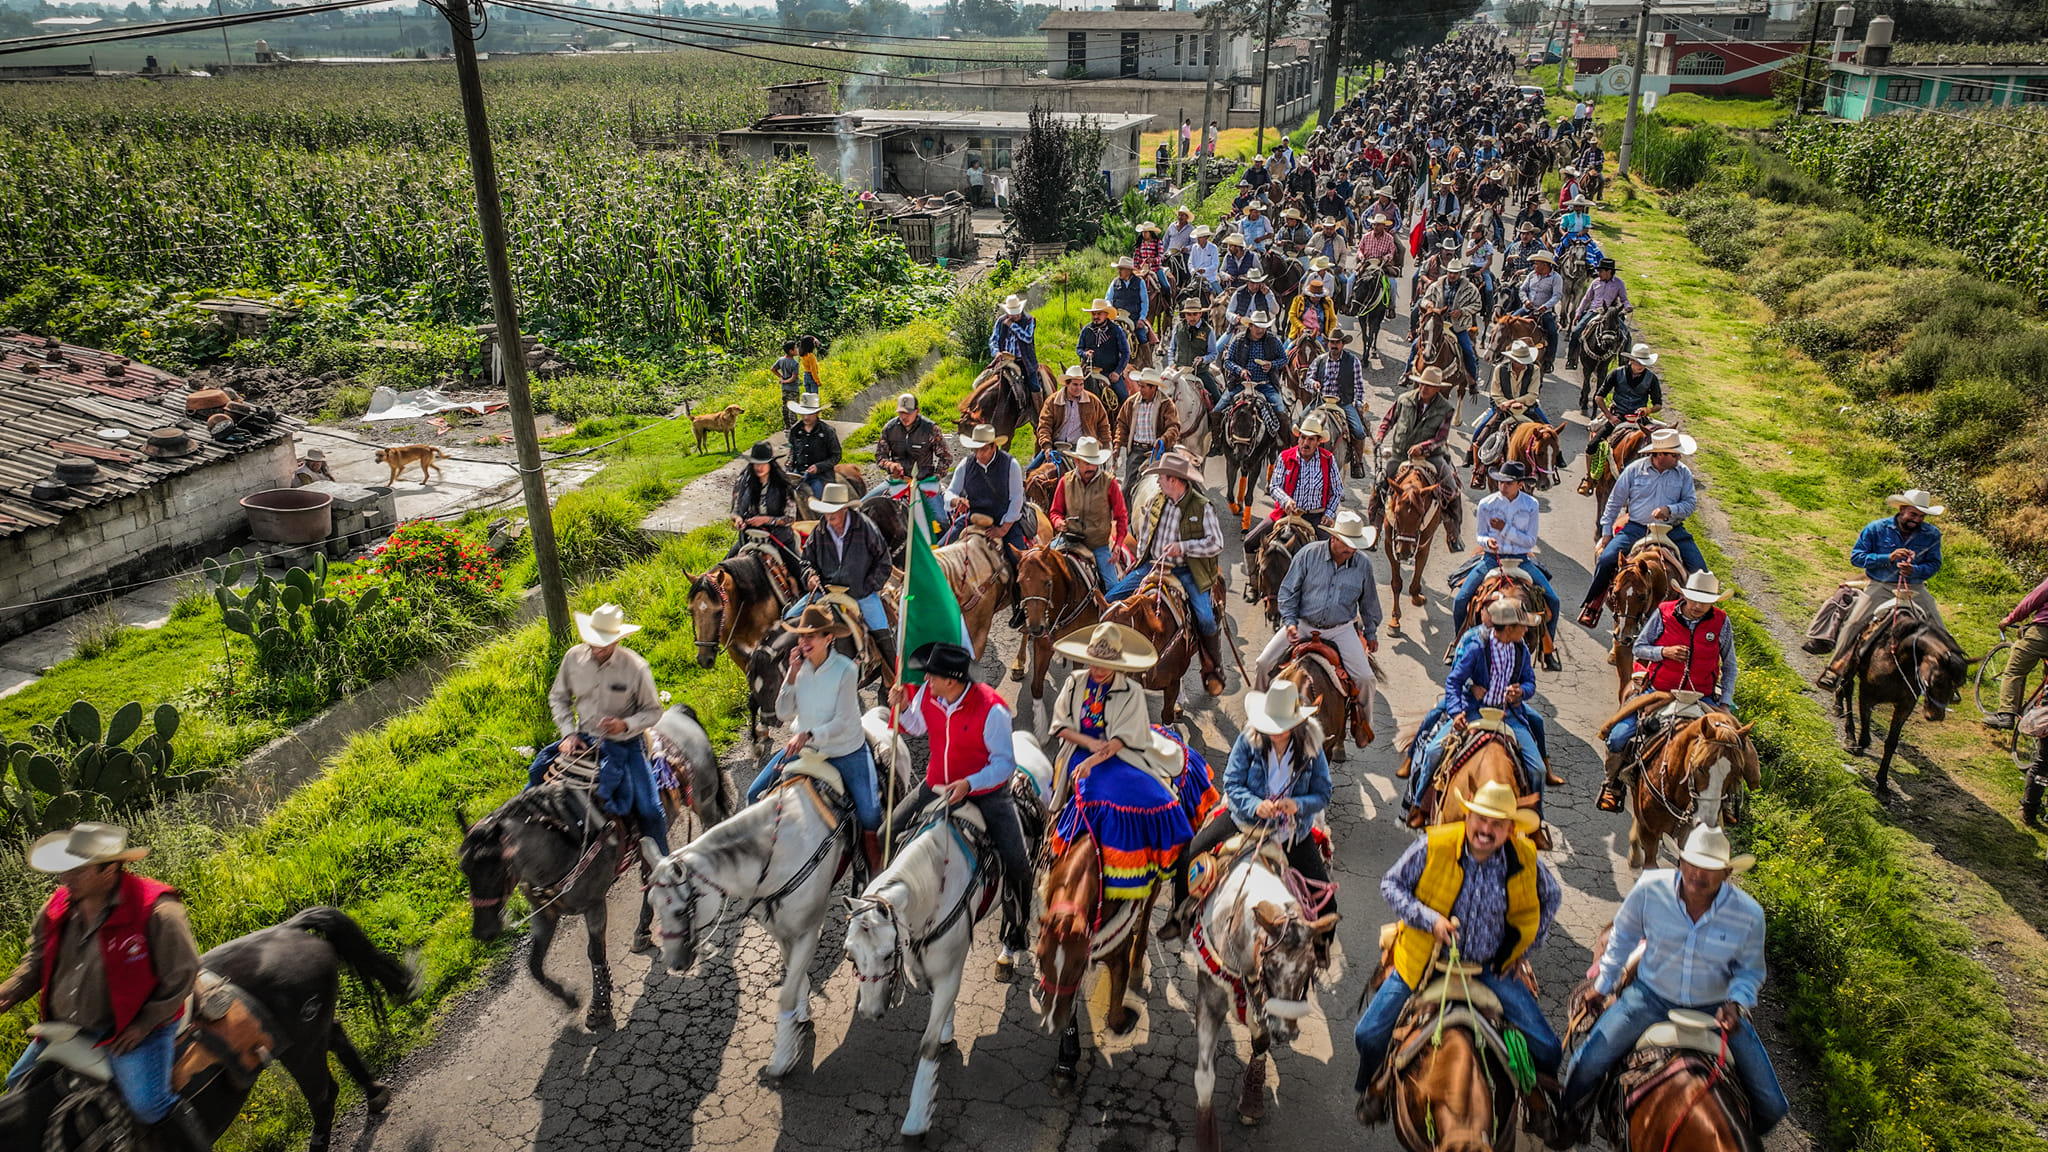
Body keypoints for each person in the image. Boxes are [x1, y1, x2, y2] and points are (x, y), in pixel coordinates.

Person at [1353, 779, 1562, 1126]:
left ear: (1511, 829)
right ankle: (1373, 1089)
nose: (1487, 830)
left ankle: (1539, 1101)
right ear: (1467, 816)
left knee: (1548, 1047)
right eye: (1481, 819)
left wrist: (1527, 945)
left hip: (1492, 968)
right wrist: (1430, 920)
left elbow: (1551, 896)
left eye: (1498, 824)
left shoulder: (1524, 857)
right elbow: (1391, 884)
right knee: (1369, 1033)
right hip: (1425, 961)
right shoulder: (1433, 845)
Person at [1560, 825, 1788, 1136]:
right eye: (1692, 863)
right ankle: (1571, 1123)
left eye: (1710, 868)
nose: (1698, 874)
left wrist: (1737, 1002)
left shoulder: (1748, 914)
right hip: (1649, 998)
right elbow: (1623, 937)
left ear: (1727, 872)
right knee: (1584, 1065)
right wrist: (1603, 986)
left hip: (1714, 1009)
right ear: (1680, 860)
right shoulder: (1650, 889)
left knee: (1774, 1106)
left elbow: (1750, 971)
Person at [1, 823, 208, 1150]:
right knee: (16, 1084)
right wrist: (10, 990)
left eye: (76, 870)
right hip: (66, 1027)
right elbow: (37, 959)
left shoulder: (156, 910)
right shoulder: (58, 906)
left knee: (148, 1104)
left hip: (129, 1028)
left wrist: (143, 1025)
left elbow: (182, 974)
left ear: (109, 867)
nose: (64, 878)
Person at [889, 642, 1035, 966]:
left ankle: (1016, 931)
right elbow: (915, 725)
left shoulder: (993, 709)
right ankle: (884, 907)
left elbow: (1004, 764)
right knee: (886, 832)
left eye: (932, 675)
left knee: (1018, 864)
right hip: (935, 785)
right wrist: (899, 706)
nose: (926, 678)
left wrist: (970, 783)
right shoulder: (930, 694)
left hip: (985, 794)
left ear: (951, 681)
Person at [1161, 679, 1334, 942]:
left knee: (1328, 903)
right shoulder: (1249, 738)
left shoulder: (1312, 747)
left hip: (1292, 832)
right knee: (1189, 854)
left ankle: (1319, 949)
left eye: (1282, 727)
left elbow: (1323, 793)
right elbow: (1232, 781)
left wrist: (1297, 805)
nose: (1275, 732)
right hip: (1243, 821)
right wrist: (1256, 805)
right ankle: (1179, 916)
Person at [1045, 623, 1194, 903]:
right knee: (1089, 793)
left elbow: (1122, 740)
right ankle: (1057, 853)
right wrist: (1088, 747)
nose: (1097, 670)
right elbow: (1060, 726)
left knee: (1159, 797)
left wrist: (1095, 757)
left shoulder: (1131, 691)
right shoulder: (1074, 682)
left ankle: (1165, 871)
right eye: (1093, 663)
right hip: (1078, 751)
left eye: (1104, 665)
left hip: (1119, 755)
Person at [745, 606, 884, 871]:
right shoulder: (799, 669)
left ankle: (874, 870)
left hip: (845, 751)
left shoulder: (845, 669)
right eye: (801, 636)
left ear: (829, 638)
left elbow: (843, 722)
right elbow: (784, 712)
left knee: (870, 812)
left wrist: (808, 734)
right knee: (753, 796)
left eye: (812, 636)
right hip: (806, 750)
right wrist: (791, 676)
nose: (804, 642)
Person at [531, 603, 671, 856]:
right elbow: (559, 697)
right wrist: (568, 733)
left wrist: (625, 724)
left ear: (617, 640)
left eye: (604, 643)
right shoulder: (573, 658)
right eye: (593, 642)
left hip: (625, 743)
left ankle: (664, 869)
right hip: (582, 738)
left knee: (650, 810)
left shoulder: (635, 667)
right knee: (536, 775)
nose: (597, 648)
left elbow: (654, 711)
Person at [1599, 570, 1737, 812]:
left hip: (1702, 696)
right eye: (1693, 600)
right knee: (1619, 736)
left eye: (1704, 603)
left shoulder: (1721, 622)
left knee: (1734, 742)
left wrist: (1725, 703)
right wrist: (1664, 652)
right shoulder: (1664, 613)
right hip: (1659, 691)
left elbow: (1730, 665)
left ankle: (1728, 797)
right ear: (1684, 596)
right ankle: (1612, 785)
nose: (1696, 606)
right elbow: (1639, 648)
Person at [1408, 599, 1552, 807]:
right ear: (1509, 628)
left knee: (1537, 769)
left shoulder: (1520, 648)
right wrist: (1457, 713)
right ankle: (1419, 805)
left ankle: (1536, 819)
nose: (1526, 630)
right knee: (1433, 753)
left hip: (1509, 715)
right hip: (1474, 712)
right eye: (1523, 626)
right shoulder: (1477, 647)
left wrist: (1521, 691)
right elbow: (1454, 681)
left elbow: (1530, 682)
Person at [1107, 450, 1228, 695]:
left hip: (1187, 570)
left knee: (1205, 617)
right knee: (1111, 601)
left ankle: (1213, 667)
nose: (1158, 481)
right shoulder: (1156, 501)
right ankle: (1111, 661)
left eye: (1161, 477)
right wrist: (1139, 562)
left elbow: (1216, 543)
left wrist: (1183, 547)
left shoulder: (1203, 507)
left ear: (1173, 479)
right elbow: (1145, 537)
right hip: (1152, 565)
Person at [1252, 510, 1382, 720]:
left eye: (1355, 543)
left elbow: (1369, 603)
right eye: (1347, 542)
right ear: (1333, 538)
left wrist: (1372, 633)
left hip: (1340, 630)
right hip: (1303, 624)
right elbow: (1287, 592)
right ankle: (1257, 715)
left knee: (1367, 679)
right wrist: (1290, 623)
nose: (1351, 548)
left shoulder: (1363, 565)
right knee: (1263, 663)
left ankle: (1362, 725)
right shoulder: (1308, 555)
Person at [1816, 490, 1947, 691]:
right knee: (1854, 623)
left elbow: (1935, 564)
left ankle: (1946, 680)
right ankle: (1834, 669)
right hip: (1881, 585)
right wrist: (1888, 558)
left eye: (1921, 516)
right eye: (1913, 514)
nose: (1917, 520)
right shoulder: (1876, 528)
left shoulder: (1932, 535)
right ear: (1902, 510)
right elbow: (1857, 557)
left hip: (1915, 587)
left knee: (1940, 628)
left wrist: (1916, 570)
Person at [1579, 429, 1706, 626]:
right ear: (1660, 454)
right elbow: (1613, 503)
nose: (1679, 457)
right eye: (1675, 454)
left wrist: (1670, 510)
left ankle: (1695, 622)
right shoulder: (1634, 470)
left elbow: (1690, 504)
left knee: (1701, 572)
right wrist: (1606, 534)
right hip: (1636, 528)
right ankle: (1593, 605)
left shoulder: (1683, 473)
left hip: (1672, 529)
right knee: (1606, 559)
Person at [1455, 460, 1563, 669]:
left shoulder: (1531, 505)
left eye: (1508, 483)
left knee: (1554, 600)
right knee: (1461, 600)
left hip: (1521, 560)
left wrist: (1504, 529)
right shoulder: (1487, 503)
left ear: (1520, 484)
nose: (1503, 486)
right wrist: (1488, 542)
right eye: (1501, 482)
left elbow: (1529, 541)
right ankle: (1458, 645)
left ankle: (1546, 650)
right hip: (1490, 559)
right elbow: (1480, 535)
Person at [787, 481, 894, 658]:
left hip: (861, 592)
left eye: (833, 509)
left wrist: (867, 587)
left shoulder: (865, 527)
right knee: (790, 617)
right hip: (826, 590)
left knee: (881, 630)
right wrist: (810, 576)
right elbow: (806, 561)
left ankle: (894, 673)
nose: (829, 514)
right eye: (826, 510)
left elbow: (884, 562)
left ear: (845, 509)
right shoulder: (819, 531)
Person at [1372, 364, 1466, 552]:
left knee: (1452, 489)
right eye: (1422, 384)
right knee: (1379, 485)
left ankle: (1454, 533)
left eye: (1429, 386)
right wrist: (1380, 435)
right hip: (1400, 454)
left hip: (1432, 457)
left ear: (1438, 389)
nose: (1424, 388)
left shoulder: (1446, 408)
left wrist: (1423, 447)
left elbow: (1441, 438)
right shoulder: (1403, 399)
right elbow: (1388, 419)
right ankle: (1374, 530)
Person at [1247, 411, 1342, 555]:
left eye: (1311, 439)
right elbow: (1274, 486)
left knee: (1335, 552)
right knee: (1250, 541)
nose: (1305, 443)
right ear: (1298, 438)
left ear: (1318, 442)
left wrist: (1329, 514)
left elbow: (1337, 491)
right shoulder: (1285, 457)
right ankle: (1254, 577)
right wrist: (1286, 501)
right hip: (1286, 513)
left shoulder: (1328, 459)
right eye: (1303, 438)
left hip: (1316, 517)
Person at [1047, 436, 1128, 590]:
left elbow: (1121, 516)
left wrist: (1118, 544)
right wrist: (1058, 523)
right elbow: (1055, 512)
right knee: (1039, 570)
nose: (1091, 467)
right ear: (1076, 462)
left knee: (1113, 588)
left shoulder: (1109, 483)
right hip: (1068, 540)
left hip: (1098, 545)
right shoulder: (1065, 481)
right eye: (1086, 462)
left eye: (1094, 462)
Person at [946, 423, 1030, 555]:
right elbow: (950, 492)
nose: (979, 454)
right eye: (976, 450)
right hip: (973, 516)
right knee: (940, 549)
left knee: (1018, 560)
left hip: (1003, 518)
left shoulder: (1010, 465)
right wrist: (956, 501)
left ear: (994, 446)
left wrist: (1003, 529)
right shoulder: (965, 464)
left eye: (983, 449)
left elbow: (1016, 499)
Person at [727, 441, 807, 574]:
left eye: (763, 463)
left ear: (771, 463)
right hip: (749, 537)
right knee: (719, 571)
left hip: (779, 538)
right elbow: (735, 510)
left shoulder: (783, 486)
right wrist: (738, 519)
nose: (759, 467)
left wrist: (766, 520)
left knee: (801, 573)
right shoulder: (743, 482)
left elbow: (790, 518)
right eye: (756, 463)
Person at [877, 392, 953, 532]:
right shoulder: (889, 428)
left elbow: (946, 457)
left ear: (917, 411)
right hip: (896, 481)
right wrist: (890, 465)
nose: (904, 416)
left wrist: (934, 478)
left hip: (924, 482)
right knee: (863, 507)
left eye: (908, 413)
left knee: (942, 522)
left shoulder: (931, 429)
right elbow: (880, 456)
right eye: (901, 413)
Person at [1470, 339, 1548, 474]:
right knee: (1480, 434)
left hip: (1527, 408)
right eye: (1518, 360)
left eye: (1524, 360)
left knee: (1549, 431)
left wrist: (1514, 402)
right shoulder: (1499, 370)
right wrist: (1506, 404)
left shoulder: (1534, 370)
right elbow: (1495, 393)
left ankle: (1553, 464)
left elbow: (1532, 394)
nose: (1521, 363)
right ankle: (1478, 470)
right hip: (1502, 409)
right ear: (1512, 359)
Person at [1585, 344, 1662, 469]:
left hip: (1639, 418)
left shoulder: (1652, 378)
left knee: (1661, 446)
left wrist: (1648, 410)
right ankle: (1588, 479)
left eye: (1644, 363)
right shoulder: (1616, 373)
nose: (1641, 366)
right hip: (1617, 416)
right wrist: (1609, 417)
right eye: (1638, 362)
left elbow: (1658, 404)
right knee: (1592, 446)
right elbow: (1599, 397)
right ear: (1631, 360)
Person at [1987, 574, 2048, 730]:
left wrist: (2010, 619)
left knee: (2014, 672)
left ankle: (2006, 714)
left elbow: (2031, 601)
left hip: (2042, 634)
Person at [1034, 365, 1115, 469]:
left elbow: (1103, 425)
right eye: (1075, 385)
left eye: (1081, 384)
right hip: (1057, 446)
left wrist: (1107, 446)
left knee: (1099, 476)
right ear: (1067, 384)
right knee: (1031, 472)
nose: (1079, 388)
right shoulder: (1052, 401)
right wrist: (1047, 446)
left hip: (1084, 448)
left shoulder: (1093, 401)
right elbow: (1044, 426)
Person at [1115, 368, 1181, 489]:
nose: (1140, 390)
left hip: (1161, 451)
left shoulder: (1166, 404)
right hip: (1137, 451)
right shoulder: (1131, 403)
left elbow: (1173, 427)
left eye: (1143, 387)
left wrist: (1163, 440)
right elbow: (1122, 425)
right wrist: (1117, 445)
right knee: (1126, 488)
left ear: (1153, 388)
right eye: (1140, 386)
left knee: (1184, 483)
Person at [1308, 327, 1371, 450]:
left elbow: (1359, 386)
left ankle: (1358, 465)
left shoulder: (1353, 361)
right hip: (1321, 401)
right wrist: (1313, 383)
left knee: (1359, 432)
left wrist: (1358, 404)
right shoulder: (1320, 360)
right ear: (1328, 344)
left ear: (1343, 344)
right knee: (1300, 422)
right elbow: (1309, 378)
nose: (1334, 345)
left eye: (1337, 342)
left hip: (1343, 403)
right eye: (1332, 342)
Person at [1565, 257, 1629, 369]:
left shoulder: (1619, 284)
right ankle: (1571, 359)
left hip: (1610, 313)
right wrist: (1578, 313)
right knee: (1576, 332)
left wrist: (1628, 307)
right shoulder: (1595, 283)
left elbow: (1624, 299)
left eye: (1601, 271)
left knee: (1626, 335)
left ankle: (1623, 362)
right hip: (1594, 311)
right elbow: (1586, 299)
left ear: (1609, 272)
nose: (1598, 273)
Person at [1225, 310, 1287, 413]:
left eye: (1263, 327)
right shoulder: (1238, 340)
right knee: (1218, 409)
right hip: (1241, 384)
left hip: (1265, 384)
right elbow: (1227, 361)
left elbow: (1284, 359)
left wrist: (1272, 364)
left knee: (1281, 412)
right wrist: (1240, 371)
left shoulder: (1273, 340)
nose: (1261, 330)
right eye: (1257, 327)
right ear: (1250, 326)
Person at [988, 293, 1043, 406]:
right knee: (983, 381)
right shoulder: (1000, 321)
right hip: (1004, 360)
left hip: (1024, 361)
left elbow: (1027, 338)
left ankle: (1040, 415)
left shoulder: (1029, 320)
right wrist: (996, 352)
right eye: (1013, 314)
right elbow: (993, 339)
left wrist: (1013, 326)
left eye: (1017, 313)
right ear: (1007, 312)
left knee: (1034, 386)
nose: (1016, 316)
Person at [784, 391, 841, 500]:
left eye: (809, 414)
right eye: (803, 414)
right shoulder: (795, 430)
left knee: (819, 500)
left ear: (817, 413)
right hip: (798, 474)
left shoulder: (827, 431)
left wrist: (818, 467)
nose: (805, 417)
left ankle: (821, 516)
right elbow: (793, 450)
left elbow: (836, 456)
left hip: (820, 476)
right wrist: (790, 461)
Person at [1516, 250, 1564, 372]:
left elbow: (1557, 295)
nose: (1534, 266)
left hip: (1544, 312)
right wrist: (1525, 300)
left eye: (1537, 263)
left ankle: (1549, 360)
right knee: (1508, 322)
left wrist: (1546, 306)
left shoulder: (1555, 278)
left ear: (1545, 265)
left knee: (1553, 332)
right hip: (1527, 308)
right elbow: (1522, 289)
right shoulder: (1532, 275)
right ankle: (1502, 351)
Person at [1077, 297, 1133, 401]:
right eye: (1094, 314)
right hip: (1089, 372)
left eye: (1099, 314)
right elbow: (1079, 349)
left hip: (1110, 372)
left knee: (1124, 398)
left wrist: (1117, 372)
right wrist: (1085, 354)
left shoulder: (1116, 330)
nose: (1096, 317)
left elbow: (1126, 353)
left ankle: (1126, 416)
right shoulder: (1086, 330)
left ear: (1106, 314)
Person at [773, 340, 802, 430]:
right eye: (795, 348)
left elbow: (773, 369)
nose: (797, 349)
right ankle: (794, 427)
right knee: (793, 408)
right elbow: (793, 378)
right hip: (793, 388)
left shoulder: (781, 360)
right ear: (791, 351)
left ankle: (787, 426)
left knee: (785, 406)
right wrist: (785, 381)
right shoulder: (795, 363)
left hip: (784, 389)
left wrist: (781, 377)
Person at [1187, 224, 1221, 292]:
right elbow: (1190, 262)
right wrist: (1193, 271)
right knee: (1185, 293)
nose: (1198, 239)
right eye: (1198, 237)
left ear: (1206, 237)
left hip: (1210, 278)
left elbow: (1215, 264)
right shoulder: (1194, 247)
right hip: (1197, 278)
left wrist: (1205, 270)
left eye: (1200, 237)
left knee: (1220, 295)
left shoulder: (1213, 248)